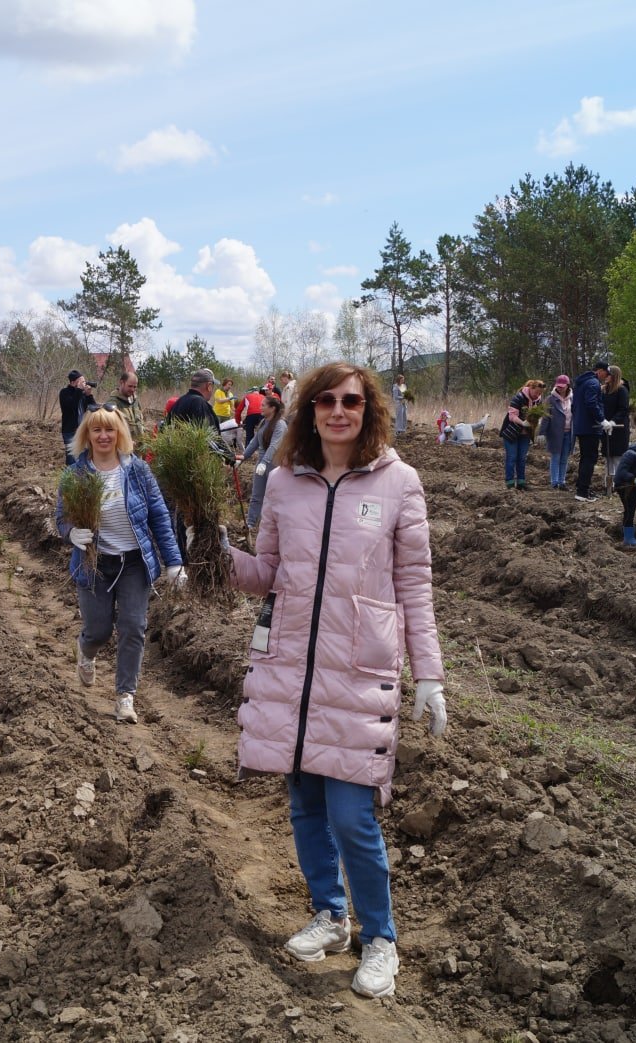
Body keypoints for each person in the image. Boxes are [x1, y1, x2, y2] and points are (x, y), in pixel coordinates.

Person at [226, 361, 447, 1000]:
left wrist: (428, 673)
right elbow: (267, 570)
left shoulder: (400, 481)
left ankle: (381, 938)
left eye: (350, 400)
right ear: (309, 410)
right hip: (293, 663)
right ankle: (331, 914)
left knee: (354, 816)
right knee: (306, 804)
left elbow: (415, 585)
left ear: (368, 407)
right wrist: (214, 555)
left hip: (358, 666)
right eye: (325, 400)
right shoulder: (284, 482)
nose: (338, 411)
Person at [56, 406, 185, 724]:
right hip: (94, 564)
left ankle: (125, 697)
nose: (103, 436)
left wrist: (174, 562)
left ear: (119, 434)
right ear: (87, 435)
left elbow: (159, 517)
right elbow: (60, 518)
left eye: (110, 430)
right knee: (98, 629)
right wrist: (71, 532)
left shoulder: (138, 471)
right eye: (97, 430)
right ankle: (86, 652)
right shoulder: (76, 475)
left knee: (133, 628)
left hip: (134, 564)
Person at [239, 395, 286, 530]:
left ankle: (278, 525)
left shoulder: (280, 425)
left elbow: (274, 445)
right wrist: (243, 457)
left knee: (276, 496)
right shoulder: (263, 423)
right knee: (257, 495)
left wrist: (264, 462)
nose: (260, 407)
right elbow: (254, 442)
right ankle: (251, 523)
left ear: (272, 408)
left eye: (263, 405)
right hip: (262, 464)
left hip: (276, 464)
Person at [572, 360, 614, 502]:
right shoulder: (593, 383)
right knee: (589, 459)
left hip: (582, 426)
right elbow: (591, 403)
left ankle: (582, 488)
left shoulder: (582, 382)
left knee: (585, 458)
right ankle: (583, 492)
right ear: (600, 371)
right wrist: (602, 420)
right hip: (590, 427)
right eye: (606, 373)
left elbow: (575, 405)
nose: (606, 377)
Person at [500, 379, 545, 490]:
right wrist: (522, 422)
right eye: (536, 393)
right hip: (512, 432)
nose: (537, 395)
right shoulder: (518, 398)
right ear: (531, 388)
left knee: (522, 458)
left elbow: (538, 415)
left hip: (525, 434)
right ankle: (510, 483)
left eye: (540, 393)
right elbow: (512, 416)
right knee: (512, 457)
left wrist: (537, 422)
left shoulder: (538, 402)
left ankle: (521, 483)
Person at [539, 375, 574, 489]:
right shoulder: (550, 399)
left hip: (569, 433)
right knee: (556, 457)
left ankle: (562, 481)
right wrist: (542, 433)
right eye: (558, 386)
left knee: (564, 458)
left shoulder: (573, 399)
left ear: (567, 386)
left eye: (562, 387)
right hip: (555, 433)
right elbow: (546, 417)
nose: (560, 388)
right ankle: (554, 482)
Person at [59, 370, 96, 465]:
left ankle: (83, 477)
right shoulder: (64, 393)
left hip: (83, 430)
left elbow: (93, 408)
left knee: (85, 456)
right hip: (70, 430)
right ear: (72, 382)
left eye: (84, 381)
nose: (84, 384)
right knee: (72, 457)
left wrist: (89, 395)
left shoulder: (82, 394)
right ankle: (71, 477)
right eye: (81, 381)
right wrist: (79, 390)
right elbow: (72, 406)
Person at [601, 365, 631, 474]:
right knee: (608, 458)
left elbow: (623, 409)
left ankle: (618, 485)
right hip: (606, 428)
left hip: (619, 429)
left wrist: (613, 422)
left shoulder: (622, 390)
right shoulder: (604, 390)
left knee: (618, 458)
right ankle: (608, 485)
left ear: (613, 376)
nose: (605, 376)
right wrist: (603, 421)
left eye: (608, 374)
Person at [106, 371, 145, 444]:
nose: (132, 390)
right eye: (130, 386)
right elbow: (109, 429)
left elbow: (141, 421)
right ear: (121, 383)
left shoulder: (135, 401)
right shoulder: (112, 403)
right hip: (123, 449)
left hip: (139, 450)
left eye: (135, 387)